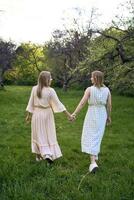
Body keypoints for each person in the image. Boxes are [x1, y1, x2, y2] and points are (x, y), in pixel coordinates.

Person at [26, 71, 73, 163]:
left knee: (38, 134)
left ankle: (39, 156)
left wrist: (28, 115)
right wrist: (68, 115)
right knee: (48, 134)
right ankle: (48, 154)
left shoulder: (34, 89)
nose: (51, 79)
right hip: (47, 114)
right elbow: (58, 104)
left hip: (37, 114)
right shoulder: (51, 90)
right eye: (50, 77)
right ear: (46, 80)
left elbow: (30, 103)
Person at [71, 70, 112, 173]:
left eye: (91, 77)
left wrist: (74, 114)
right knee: (97, 135)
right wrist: (108, 116)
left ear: (95, 78)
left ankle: (93, 163)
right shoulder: (107, 90)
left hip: (92, 114)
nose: (90, 79)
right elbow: (109, 105)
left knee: (91, 136)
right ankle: (95, 155)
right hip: (102, 113)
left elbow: (82, 103)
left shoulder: (89, 89)